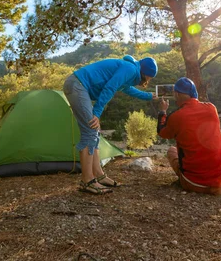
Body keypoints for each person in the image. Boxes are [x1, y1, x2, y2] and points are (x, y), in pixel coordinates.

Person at [63, 55, 158, 194]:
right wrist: (97, 112)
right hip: (78, 85)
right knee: (90, 130)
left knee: (94, 131)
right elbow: (110, 87)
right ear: (146, 74)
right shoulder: (130, 69)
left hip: (78, 86)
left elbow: (127, 89)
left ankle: (99, 175)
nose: (149, 80)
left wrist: (149, 96)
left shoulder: (130, 71)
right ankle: (87, 181)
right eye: (150, 77)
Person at [157, 77, 221, 195]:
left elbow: (162, 132)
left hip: (192, 183)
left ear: (177, 95)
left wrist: (162, 111)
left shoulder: (176, 116)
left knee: (171, 151)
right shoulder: (212, 109)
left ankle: (187, 180)